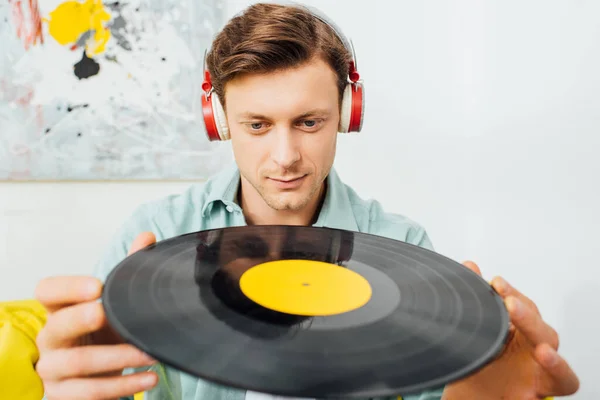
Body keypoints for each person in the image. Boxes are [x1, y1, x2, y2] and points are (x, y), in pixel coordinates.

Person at [33, 2, 580, 400]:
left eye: (309, 122)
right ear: (218, 120)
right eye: (257, 124)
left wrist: (484, 391)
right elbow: (97, 377)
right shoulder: (152, 232)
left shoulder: (403, 243)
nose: (285, 156)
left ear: (348, 111)